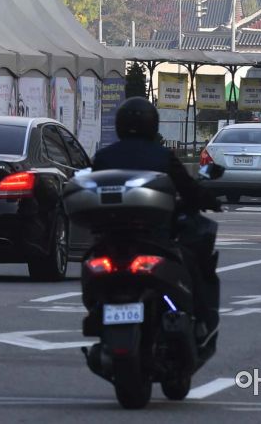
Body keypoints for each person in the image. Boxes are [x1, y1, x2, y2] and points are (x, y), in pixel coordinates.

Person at [92, 96, 221, 340]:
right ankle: (201, 321)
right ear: (153, 125)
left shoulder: (104, 157)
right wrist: (209, 200)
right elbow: (188, 188)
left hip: (111, 239)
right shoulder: (161, 156)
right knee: (193, 264)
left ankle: (100, 313)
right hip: (154, 238)